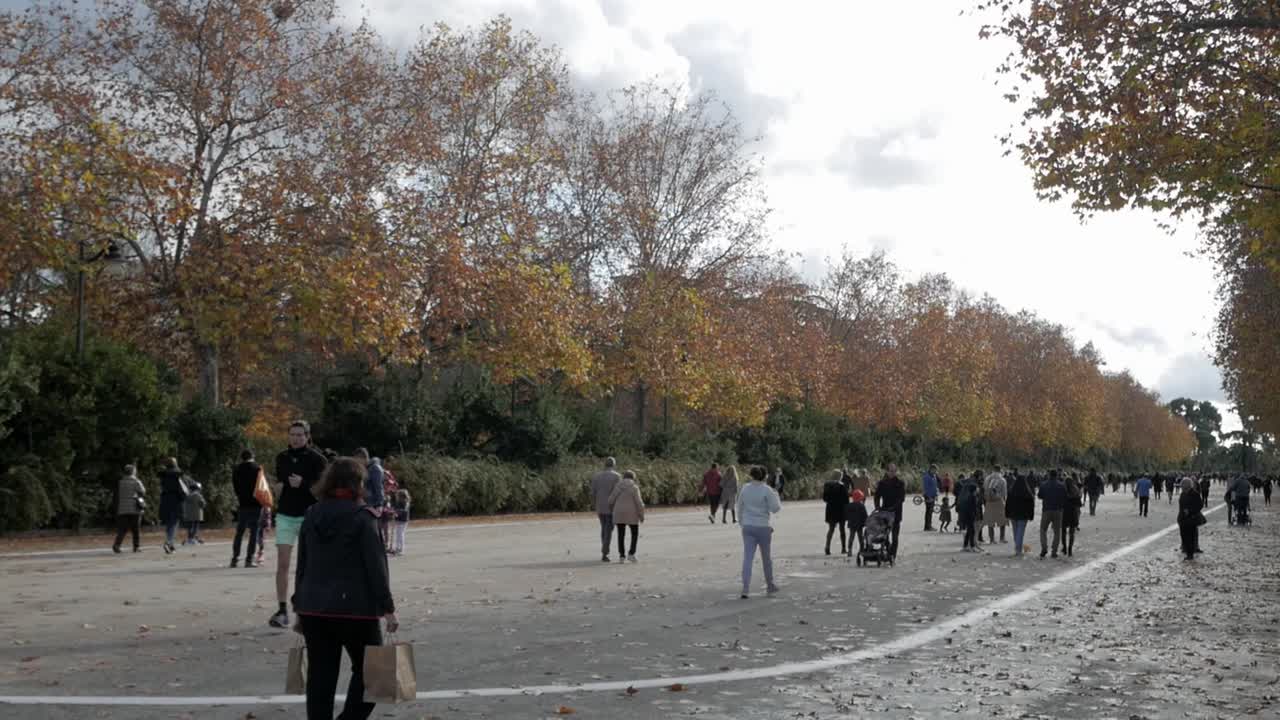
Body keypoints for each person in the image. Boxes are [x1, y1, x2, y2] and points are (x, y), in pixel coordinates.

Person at [292, 457, 398, 720]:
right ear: (358, 483)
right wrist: (388, 608)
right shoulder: (364, 517)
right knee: (373, 673)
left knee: (321, 676)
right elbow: (376, 567)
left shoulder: (311, 514)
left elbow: (303, 563)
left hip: (314, 607)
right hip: (356, 608)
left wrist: (299, 605)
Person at [271, 420, 329, 629]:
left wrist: (303, 484)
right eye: (292, 434)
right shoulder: (281, 457)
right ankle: (282, 610)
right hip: (286, 515)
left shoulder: (318, 459)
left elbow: (322, 492)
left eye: (299, 435)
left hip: (309, 516)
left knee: (309, 565)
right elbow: (280, 483)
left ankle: (308, 610)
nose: (295, 438)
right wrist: (277, 489)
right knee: (283, 564)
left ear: (307, 436)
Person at [737, 466, 782, 598]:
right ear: (764, 476)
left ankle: (745, 588)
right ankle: (770, 585)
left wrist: (742, 523)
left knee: (748, 558)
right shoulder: (767, 490)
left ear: (751, 475)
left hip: (748, 526)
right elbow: (775, 508)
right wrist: (776, 494)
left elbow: (739, 507)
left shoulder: (745, 488)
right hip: (763, 526)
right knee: (766, 558)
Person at [231, 450, 264, 568]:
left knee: (239, 532)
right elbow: (262, 487)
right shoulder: (257, 469)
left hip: (243, 503)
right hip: (256, 504)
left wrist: (240, 496)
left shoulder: (236, 469)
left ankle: (235, 559)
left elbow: (235, 486)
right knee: (254, 532)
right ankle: (249, 559)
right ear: (253, 456)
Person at [608, 469, 645, 562]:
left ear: (624, 477)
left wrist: (612, 509)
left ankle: (622, 556)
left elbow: (610, 500)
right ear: (633, 478)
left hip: (619, 513)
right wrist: (641, 515)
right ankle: (631, 554)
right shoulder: (634, 487)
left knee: (621, 534)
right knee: (634, 533)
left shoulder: (618, 486)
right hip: (632, 513)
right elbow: (639, 502)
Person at [590, 457, 622, 562]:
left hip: (600, 506)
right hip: (611, 507)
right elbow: (618, 492)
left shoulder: (596, 476)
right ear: (614, 465)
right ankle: (605, 552)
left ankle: (604, 550)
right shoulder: (617, 476)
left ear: (605, 464)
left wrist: (594, 504)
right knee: (608, 530)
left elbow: (593, 493)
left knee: (604, 528)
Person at [354, 449, 386, 551]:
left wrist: (379, 504)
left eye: (358, 460)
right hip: (366, 503)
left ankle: (377, 550)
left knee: (374, 530)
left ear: (363, 458)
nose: (357, 463)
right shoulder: (366, 469)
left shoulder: (375, 469)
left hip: (373, 504)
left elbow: (378, 487)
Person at [874, 463, 907, 559]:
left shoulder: (900, 483)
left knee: (895, 536)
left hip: (896, 512)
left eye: (894, 471)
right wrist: (877, 506)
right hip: (884, 512)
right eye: (890, 471)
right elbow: (877, 496)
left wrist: (893, 507)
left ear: (896, 471)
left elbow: (902, 498)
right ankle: (888, 551)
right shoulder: (882, 483)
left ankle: (893, 554)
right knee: (884, 535)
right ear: (887, 471)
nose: (892, 473)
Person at [112, 464, 146, 554]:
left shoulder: (120, 482)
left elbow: (116, 494)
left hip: (122, 508)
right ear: (133, 472)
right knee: (136, 529)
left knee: (122, 529)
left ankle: (116, 545)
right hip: (134, 507)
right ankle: (136, 547)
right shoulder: (136, 481)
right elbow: (143, 492)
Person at [157, 458, 188, 554]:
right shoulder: (178, 475)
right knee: (174, 523)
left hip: (165, 501)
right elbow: (184, 489)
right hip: (176, 501)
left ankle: (171, 545)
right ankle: (168, 542)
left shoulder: (163, 476)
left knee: (169, 524)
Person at [1005, 470, 1035, 557]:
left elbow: (1007, 503)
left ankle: (1018, 548)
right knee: (1020, 532)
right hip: (1023, 515)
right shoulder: (1028, 492)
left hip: (1013, 514)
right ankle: (1018, 549)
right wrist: (1031, 516)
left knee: (1015, 532)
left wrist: (1007, 513)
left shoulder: (1011, 491)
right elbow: (1031, 506)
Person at [1038, 470, 1067, 559]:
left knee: (1043, 530)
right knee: (1057, 532)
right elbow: (1065, 497)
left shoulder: (1043, 484)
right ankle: (1054, 551)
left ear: (1049, 475)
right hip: (1058, 510)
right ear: (1057, 475)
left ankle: (1044, 548)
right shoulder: (1061, 485)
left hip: (1046, 509)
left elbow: (1039, 496)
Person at [821, 470, 848, 555]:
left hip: (830, 509)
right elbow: (846, 500)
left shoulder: (827, 485)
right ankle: (843, 548)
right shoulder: (842, 486)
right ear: (840, 476)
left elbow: (824, 498)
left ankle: (827, 547)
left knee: (831, 529)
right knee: (842, 529)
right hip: (841, 509)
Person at [1177, 477, 1204, 561]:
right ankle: (1187, 551)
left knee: (1190, 537)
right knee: (1184, 536)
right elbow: (1181, 507)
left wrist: (1190, 511)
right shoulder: (1182, 494)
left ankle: (1190, 554)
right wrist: (1179, 518)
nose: (1182, 487)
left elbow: (1200, 505)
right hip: (1182, 519)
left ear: (1187, 486)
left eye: (1183, 486)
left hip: (1191, 519)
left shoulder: (1195, 494)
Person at [983, 467, 1008, 544]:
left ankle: (992, 539)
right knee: (1002, 520)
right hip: (999, 501)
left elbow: (984, 489)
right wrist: (1004, 501)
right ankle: (1002, 538)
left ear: (993, 470)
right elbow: (1004, 493)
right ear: (1000, 470)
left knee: (990, 521)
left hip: (989, 502)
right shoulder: (1002, 480)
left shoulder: (987, 478)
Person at [1060, 475, 1083, 557]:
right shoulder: (1076, 491)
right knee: (1072, 533)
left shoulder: (1062, 491)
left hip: (1064, 513)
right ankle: (1070, 549)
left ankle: (1064, 548)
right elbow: (1079, 504)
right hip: (1073, 513)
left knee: (1063, 532)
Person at [957, 481, 979, 552]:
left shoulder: (967, 496)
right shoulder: (973, 497)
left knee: (969, 531)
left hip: (966, 516)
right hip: (970, 516)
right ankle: (972, 546)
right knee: (972, 531)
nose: (978, 489)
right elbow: (974, 508)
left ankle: (965, 546)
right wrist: (976, 515)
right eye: (977, 488)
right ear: (974, 489)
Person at [845, 489, 868, 556]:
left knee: (851, 537)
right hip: (859, 524)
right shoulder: (861, 506)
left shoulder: (849, 505)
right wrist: (866, 522)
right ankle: (862, 549)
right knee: (860, 537)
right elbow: (865, 515)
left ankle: (849, 550)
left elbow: (846, 515)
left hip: (852, 524)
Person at [390, 488, 411, 556]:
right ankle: (397, 548)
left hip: (403, 520)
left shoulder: (405, 503)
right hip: (398, 520)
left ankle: (401, 549)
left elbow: (404, 510)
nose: (397, 497)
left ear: (402, 496)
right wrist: (393, 510)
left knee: (400, 534)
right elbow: (395, 508)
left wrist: (397, 512)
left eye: (398, 496)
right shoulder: (398, 502)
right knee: (398, 534)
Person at [921, 464, 940, 531]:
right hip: (928, 496)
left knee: (930, 511)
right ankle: (927, 527)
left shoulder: (934, 476)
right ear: (931, 469)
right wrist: (929, 497)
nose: (935, 471)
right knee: (928, 511)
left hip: (933, 496)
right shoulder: (926, 476)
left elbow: (935, 486)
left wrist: (936, 494)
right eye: (935, 470)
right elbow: (926, 488)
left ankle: (929, 525)